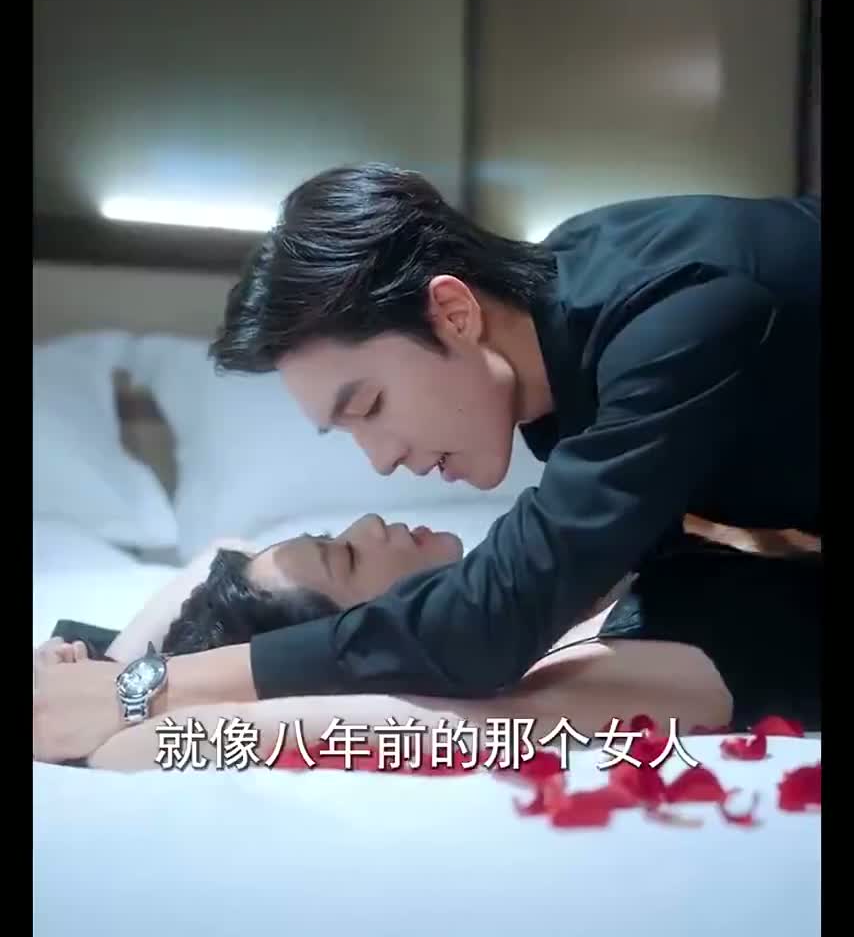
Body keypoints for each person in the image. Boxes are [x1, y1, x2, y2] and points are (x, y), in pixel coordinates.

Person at [32, 168, 820, 763]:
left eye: (369, 406)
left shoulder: (676, 321)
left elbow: (482, 628)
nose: (381, 464)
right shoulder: (564, 313)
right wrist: (108, 666)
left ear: (454, 311)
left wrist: (144, 690)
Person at [37, 510, 820, 772]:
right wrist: (127, 702)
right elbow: (149, 746)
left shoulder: (546, 581)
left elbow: (224, 548)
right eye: (345, 557)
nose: (369, 521)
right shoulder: (588, 674)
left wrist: (117, 669)